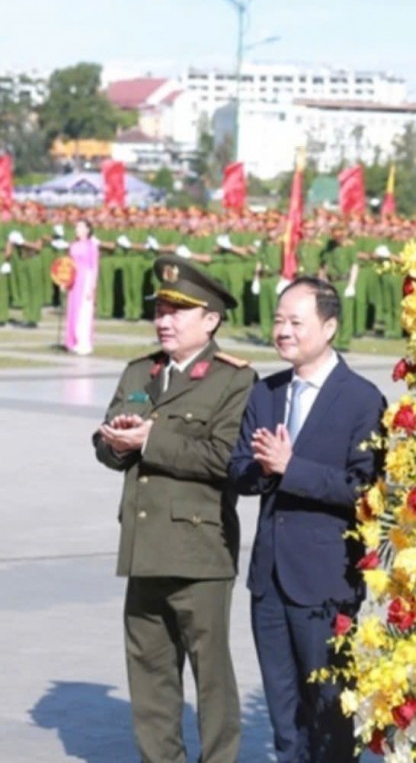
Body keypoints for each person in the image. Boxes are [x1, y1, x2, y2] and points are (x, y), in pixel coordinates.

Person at [93, 257, 255, 763]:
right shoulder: (141, 371)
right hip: (143, 548)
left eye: (178, 311)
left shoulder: (234, 380)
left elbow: (223, 458)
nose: (164, 320)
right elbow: (107, 445)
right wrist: (116, 443)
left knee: (212, 679)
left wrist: (151, 438)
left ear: (210, 320)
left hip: (199, 551)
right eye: (160, 310)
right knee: (150, 676)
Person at [228, 277, 385, 762]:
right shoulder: (268, 393)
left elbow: (365, 491)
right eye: (278, 320)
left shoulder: (361, 398)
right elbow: (238, 468)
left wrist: (290, 468)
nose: (283, 331)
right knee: (284, 714)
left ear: (329, 326)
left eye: (296, 322)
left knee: (329, 710)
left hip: (325, 582)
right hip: (270, 580)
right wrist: (263, 469)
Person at [64, 220, 100, 355]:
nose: (77, 229)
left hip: (86, 279)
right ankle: (72, 341)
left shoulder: (92, 246)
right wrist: (65, 280)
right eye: (76, 226)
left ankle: (83, 342)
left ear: (87, 229)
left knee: (84, 311)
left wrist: (92, 286)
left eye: (80, 227)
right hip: (74, 280)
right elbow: (68, 264)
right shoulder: (73, 245)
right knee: (73, 310)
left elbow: (94, 266)